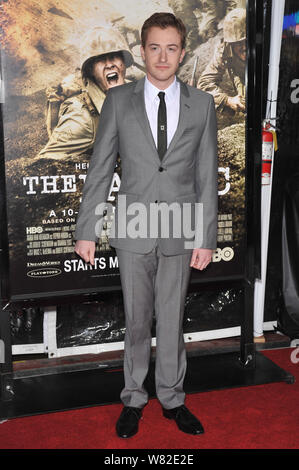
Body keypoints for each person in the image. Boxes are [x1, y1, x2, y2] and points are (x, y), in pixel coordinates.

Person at [74, 12, 218, 438]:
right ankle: (134, 398)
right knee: (137, 319)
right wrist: (87, 228)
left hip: (180, 223)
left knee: (171, 320)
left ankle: (173, 399)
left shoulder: (203, 104)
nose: (162, 56)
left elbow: (206, 175)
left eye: (171, 48)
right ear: (142, 51)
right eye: (154, 47)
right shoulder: (119, 101)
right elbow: (100, 169)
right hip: (134, 223)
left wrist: (205, 237)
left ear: (182, 53)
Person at [38, 27, 133, 161]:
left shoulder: (136, 92)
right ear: (91, 71)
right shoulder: (82, 118)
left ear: (124, 62)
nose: (109, 65)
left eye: (114, 57)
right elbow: (44, 162)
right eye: (100, 60)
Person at [197, 8, 246, 115]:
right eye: (238, 43)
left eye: (246, 41)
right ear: (230, 44)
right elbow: (204, 84)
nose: (244, 48)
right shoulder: (225, 50)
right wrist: (228, 100)